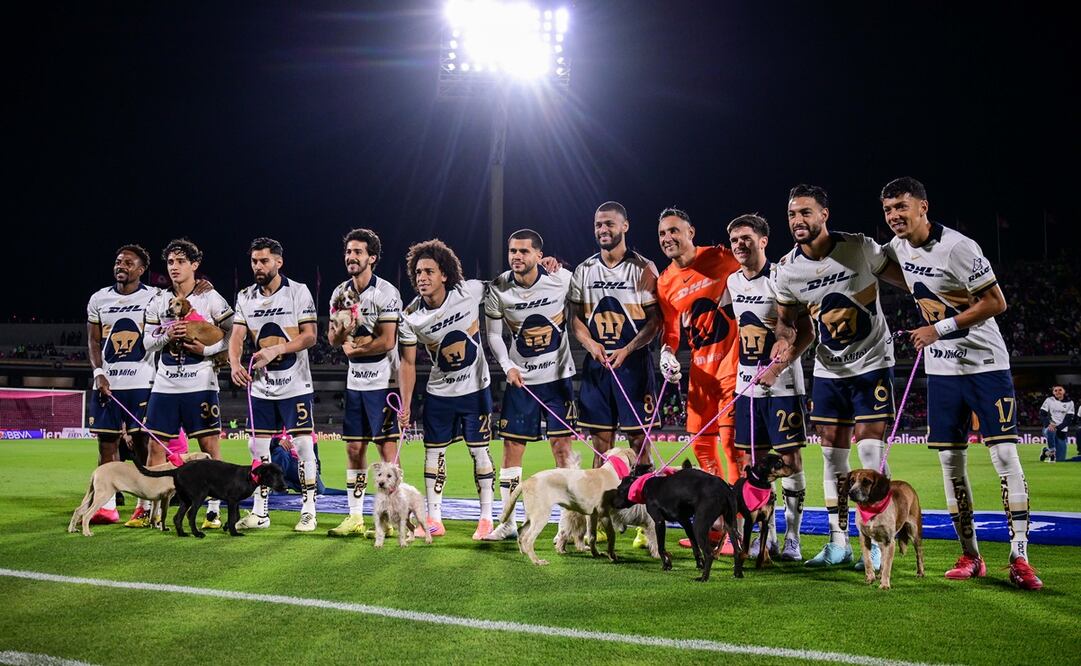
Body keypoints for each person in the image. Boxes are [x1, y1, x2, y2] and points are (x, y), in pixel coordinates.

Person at [881, 176, 1041, 589]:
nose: (894, 215)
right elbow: (902, 275)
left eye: (901, 206)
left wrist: (939, 328)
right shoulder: (898, 247)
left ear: (923, 207)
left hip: (986, 364)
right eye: (888, 209)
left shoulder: (958, 246)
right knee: (951, 465)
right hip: (942, 371)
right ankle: (971, 555)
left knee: (1005, 457)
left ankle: (1020, 557)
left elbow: (996, 302)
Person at [772, 184, 906, 570]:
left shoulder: (859, 247)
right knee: (832, 456)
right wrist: (783, 341)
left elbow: (906, 279)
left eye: (806, 212)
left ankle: (877, 538)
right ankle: (839, 541)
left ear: (824, 214)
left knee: (870, 453)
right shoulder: (787, 270)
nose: (798, 220)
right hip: (829, 369)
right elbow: (787, 322)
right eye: (792, 214)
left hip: (872, 363)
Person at [726, 214, 813, 561]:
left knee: (789, 460)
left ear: (763, 241)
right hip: (745, 387)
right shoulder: (732, 281)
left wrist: (777, 369)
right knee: (756, 463)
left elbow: (807, 333)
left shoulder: (782, 277)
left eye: (746, 238)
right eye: (734, 240)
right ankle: (768, 537)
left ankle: (793, 538)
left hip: (783, 386)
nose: (739, 245)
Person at [397, 239, 496, 540]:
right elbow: (407, 364)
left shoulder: (469, 291)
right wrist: (405, 405)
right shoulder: (410, 316)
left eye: (429, 271)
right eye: (418, 272)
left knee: (479, 452)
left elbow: (507, 284)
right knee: (432, 453)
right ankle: (434, 519)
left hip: (476, 388)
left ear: (444, 274)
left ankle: (486, 518)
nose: (422, 277)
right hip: (439, 392)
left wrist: (544, 267)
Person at [482, 229, 576, 541]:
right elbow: (493, 334)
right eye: (513, 251)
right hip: (521, 381)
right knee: (511, 448)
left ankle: (566, 524)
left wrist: (561, 265)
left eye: (524, 251)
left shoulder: (561, 278)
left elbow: (586, 299)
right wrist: (507, 366)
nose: (517, 256)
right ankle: (508, 522)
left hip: (558, 379)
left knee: (562, 449)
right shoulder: (498, 288)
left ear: (539, 255)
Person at [228, 237, 318, 531]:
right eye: (254, 261)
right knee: (257, 447)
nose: (258, 266)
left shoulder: (298, 291)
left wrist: (276, 349)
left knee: (303, 445)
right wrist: (235, 364)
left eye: (264, 261)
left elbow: (310, 336)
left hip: (295, 385)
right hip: (262, 387)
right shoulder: (245, 296)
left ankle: (309, 510)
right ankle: (260, 512)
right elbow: (237, 336)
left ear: (279, 262)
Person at [142, 238, 233, 529]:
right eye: (170, 262)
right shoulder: (158, 300)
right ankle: (151, 511)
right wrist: (167, 336)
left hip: (201, 383)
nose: (174, 267)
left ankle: (213, 511)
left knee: (209, 447)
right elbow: (146, 342)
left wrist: (206, 350)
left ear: (195, 265)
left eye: (181, 261)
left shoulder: (211, 297)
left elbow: (233, 334)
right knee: (156, 448)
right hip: (165, 385)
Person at [325, 228, 405, 537]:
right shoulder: (339, 292)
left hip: (383, 381)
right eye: (348, 252)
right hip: (355, 382)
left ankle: (394, 517)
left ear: (372, 258)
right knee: (354, 448)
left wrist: (356, 348)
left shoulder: (386, 292)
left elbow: (387, 341)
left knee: (387, 451)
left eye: (358, 252)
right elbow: (332, 339)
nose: (351, 257)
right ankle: (355, 516)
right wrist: (344, 332)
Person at [569, 202, 662, 464]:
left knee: (639, 442)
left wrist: (628, 349)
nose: (603, 229)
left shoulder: (642, 268)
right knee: (600, 444)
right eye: (598, 225)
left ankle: (642, 492)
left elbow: (655, 321)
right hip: (597, 366)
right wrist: (590, 344)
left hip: (633, 365)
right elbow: (575, 318)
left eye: (609, 223)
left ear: (625, 226)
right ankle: (601, 493)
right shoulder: (584, 270)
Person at [86, 244, 158, 526]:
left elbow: (184, 298)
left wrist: (202, 284)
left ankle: (144, 505)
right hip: (108, 382)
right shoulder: (98, 298)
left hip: (143, 382)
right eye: (118, 261)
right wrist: (98, 372)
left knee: (142, 443)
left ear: (141, 270)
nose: (121, 266)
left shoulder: (154, 296)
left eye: (128, 263)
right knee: (107, 443)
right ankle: (107, 506)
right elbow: (93, 341)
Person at [1039, 385, 1074, 463]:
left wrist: (1057, 428)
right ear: (1053, 392)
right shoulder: (1049, 400)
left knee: (1060, 460)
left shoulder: (1070, 403)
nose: (1058, 392)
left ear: (1064, 391)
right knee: (1051, 429)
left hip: (1061, 431)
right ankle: (1052, 450)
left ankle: (1045, 452)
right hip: (1048, 428)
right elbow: (1042, 414)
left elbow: (1068, 420)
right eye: (1055, 390)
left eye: (1060, 390)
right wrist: (1048, 424)